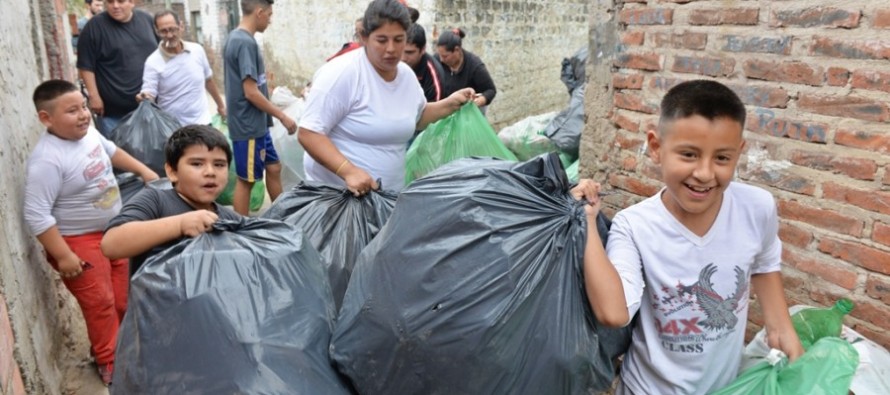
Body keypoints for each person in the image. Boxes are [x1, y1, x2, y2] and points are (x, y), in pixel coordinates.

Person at [581, 80, 804, 394]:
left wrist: (785, 335)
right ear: (656, 148)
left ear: (739, 153)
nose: (704, 173)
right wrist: (589, 220)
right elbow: (613, 312)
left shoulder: (757, 208)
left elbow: (765, 265)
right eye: (688, 154)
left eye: (722, 158)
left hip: (724, 388)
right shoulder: (634, 226)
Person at [24, 80, 159, 386]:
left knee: (123, 298)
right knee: (101, 304)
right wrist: (63, 255)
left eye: (83, 106)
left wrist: (144, 171)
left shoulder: (88, 134)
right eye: (72, 111)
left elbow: (112, 151)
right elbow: (36, 214)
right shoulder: (46, 160)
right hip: (78, 241)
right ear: (46, 118)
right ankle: (109, 361)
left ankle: (125, 348)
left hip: (114, 232)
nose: (84, 115)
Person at [297, 0, 475, 195]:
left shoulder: (406, 76)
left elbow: (416, 117)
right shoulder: (342, 74)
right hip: (338, 200)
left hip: (385, 199)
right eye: (382, 40)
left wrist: (450, 104)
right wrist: (348, 171)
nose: (391, 48)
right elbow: (309, 133)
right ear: (364, 37)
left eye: (399, 40)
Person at [101, 125, 240, 277]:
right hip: (158, 299)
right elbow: (111, 244)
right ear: (172, 172)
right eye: (197, 164)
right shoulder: (156, 199)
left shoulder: (229, 219)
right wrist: (180, 224)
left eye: (219, 165)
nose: (210, 172)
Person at [223, 0, 295, 215]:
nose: (270, 20)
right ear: (259, 12)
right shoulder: (245, 42)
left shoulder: (240, 38)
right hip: (248, 125)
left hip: (257, 124)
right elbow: (251, 92)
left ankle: (282, 217)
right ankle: (241, 230)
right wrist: (282, 115)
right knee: (247, 180)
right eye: (270, 15)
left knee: (273, 168)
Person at [77, 0, 158, 137]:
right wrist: (94, 97)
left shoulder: (147, 21)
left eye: (120, 1)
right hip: (113, 113)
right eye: (110, 1)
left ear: (132, 2)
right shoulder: (94, 27)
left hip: (149, 109)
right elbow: (85, 66)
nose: (115, 6)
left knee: (153, 155)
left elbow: (161, 54)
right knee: (118, 155)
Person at [137, 10, 226, 125]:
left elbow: (208, 80)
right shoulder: (153, 62)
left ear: (181, 26)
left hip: (203, 123)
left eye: (172, 29)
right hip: (174, 129)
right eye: (163, 31)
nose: (169, 35)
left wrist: (221, 106)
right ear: (156, 31)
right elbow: (149, 93)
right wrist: (144, 97)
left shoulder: (197, 50)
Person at [435, 28, 496, 111]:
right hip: (445, 110)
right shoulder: (436, 61)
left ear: (457, 50)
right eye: (440, 55)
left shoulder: (475, 66)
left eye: (445, 56)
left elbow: (490, 90)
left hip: (468, 112)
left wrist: (479, 101)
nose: (441, 59)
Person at [402, 22, 444, 103]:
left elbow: (435, 110)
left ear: (423, 50)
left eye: (409, 52)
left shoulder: (433, 76)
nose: (403, 58)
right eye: (401, 51)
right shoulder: (391, 62)